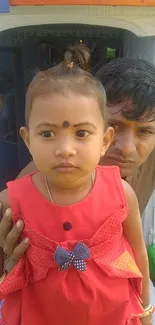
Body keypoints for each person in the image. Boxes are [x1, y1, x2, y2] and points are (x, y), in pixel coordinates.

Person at [0, 45, 152, 325]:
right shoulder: (14, 198)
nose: (65, 149)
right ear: (27, 139)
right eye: (47, 133)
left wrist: (145, 311)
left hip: (112, 311)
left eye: (81, 133)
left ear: (103, 139)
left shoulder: (121, 192)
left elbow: (138, 251)